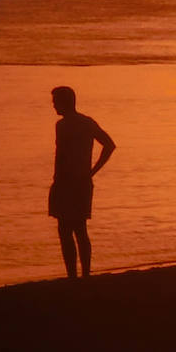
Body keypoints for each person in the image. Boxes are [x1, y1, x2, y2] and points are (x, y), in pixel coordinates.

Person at [48, 86, 116, 279]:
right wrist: (91, 172)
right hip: (76, 182)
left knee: (68, 230)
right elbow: (109, 145)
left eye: (56, 102)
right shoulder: (85, 123)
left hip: (69, 183)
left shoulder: (63, 125)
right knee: (77, 229)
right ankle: (83, 274)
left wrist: (92, 172)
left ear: (65, 102)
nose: (54, 105)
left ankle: (76, 275)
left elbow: (109, 145)